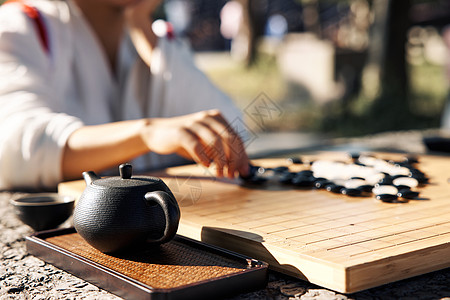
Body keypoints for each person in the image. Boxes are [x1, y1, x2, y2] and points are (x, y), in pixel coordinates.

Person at [0, 0, 250, 190]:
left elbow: (233, 134)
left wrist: (142, 24)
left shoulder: (155, 38)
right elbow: (15, 146)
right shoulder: (23, 23)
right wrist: (146, 133)